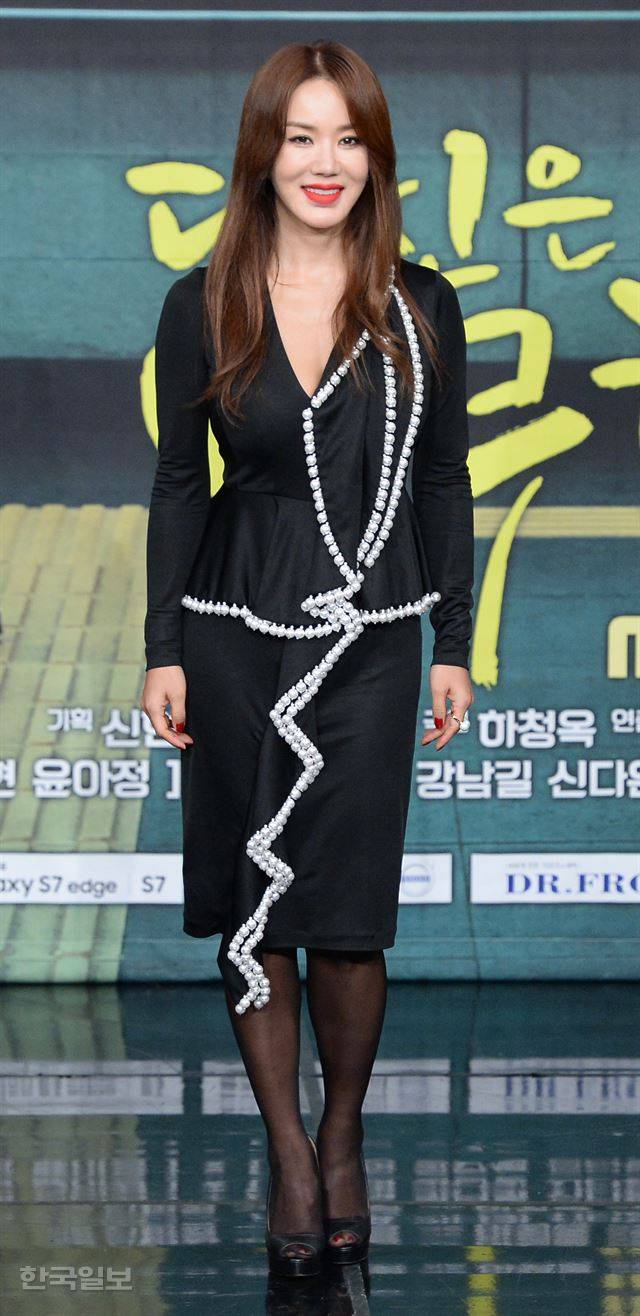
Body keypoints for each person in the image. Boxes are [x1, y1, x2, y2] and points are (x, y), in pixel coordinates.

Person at [140, 40, 474, 1276]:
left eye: (347, 139)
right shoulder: (203, 299)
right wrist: (162, 646)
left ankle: (342, 1135)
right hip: (233, 626)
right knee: (255, 912)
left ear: (374, 158)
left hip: (374, 633)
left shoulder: (420, 304)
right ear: (263, 153)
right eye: (300, 137)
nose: (324, 162)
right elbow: (179, 483)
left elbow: (443, 478)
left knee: (344, 912)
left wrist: (454, 641)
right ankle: (286, 1149)